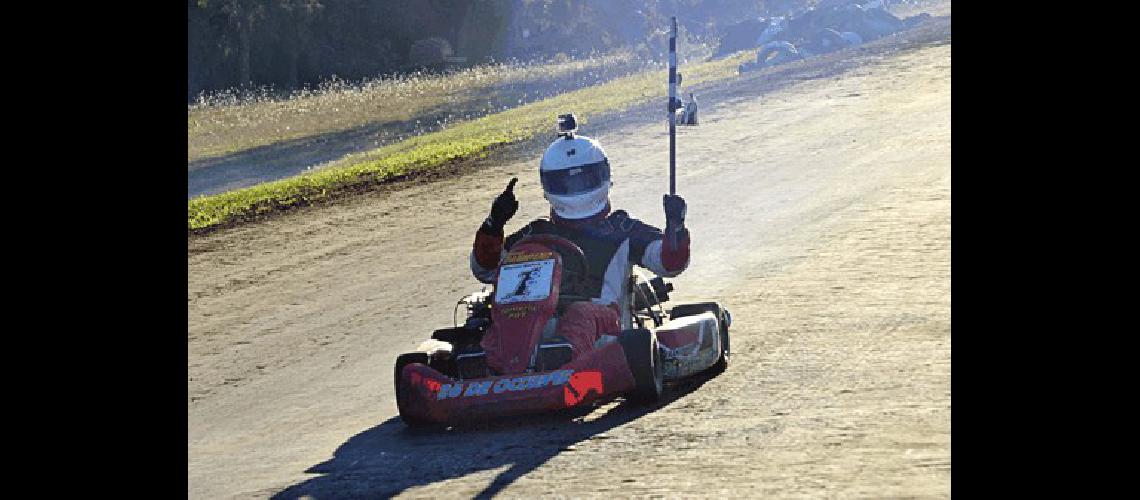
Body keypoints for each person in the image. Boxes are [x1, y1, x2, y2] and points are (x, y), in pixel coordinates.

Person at [470, 118, 690, 370]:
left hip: (603, 324)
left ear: (603, 176)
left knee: (580, 315)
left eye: (583, 181)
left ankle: (562, 362)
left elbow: (669, 263)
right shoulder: (537, 232)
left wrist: (676, 227)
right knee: (498, 319)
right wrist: (493, 224)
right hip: (535, 319)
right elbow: (486, 271)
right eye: (566, 183)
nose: (576, 190)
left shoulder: (622, 230)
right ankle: (488, 367)